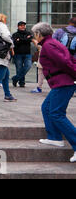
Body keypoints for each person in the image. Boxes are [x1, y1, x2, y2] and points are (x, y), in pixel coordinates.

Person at [31, 22, 76, 163]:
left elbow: (65, 62)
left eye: (35, 34)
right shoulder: (52, 43)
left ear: (39, 34)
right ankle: (55, 138)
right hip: (61, 83)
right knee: (46, 107)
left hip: (63, 83)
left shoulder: (49, 46)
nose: (34, 36)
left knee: (57, 113)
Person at [11, 21, 34, 87]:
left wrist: (20, 40)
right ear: (18, 26)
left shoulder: (28, 33)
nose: (23, 26)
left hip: (27, 54)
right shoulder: (15, 34)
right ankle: (21, 83)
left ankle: (15, 78)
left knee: (28, 66)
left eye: (24, 25)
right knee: (19, 69)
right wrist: (25, 39)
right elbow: (15, 42)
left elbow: (29, 40)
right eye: (21, 25)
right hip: (18, 54)